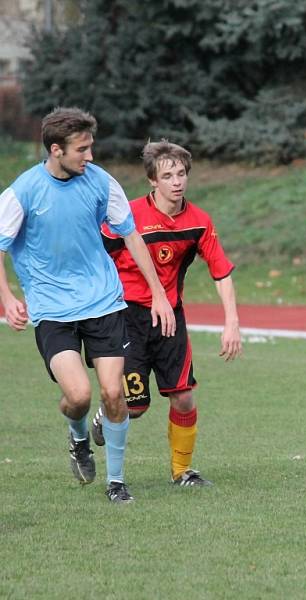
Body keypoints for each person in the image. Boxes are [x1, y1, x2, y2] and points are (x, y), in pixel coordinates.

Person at [0, 107, 175, 503]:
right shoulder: (23, 191)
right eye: (82, 149)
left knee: (115, 395)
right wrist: (7, 297)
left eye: (91, 147)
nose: (90, 157)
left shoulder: (100, 183)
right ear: (56, 150)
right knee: (78, 396)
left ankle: (116, 481)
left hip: (103, 302)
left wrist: (158, 293)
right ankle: (78, 438)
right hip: (52, 310)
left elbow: (130, 236)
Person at [91, 140, 242, 487]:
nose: (177, 181)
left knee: (184, 396)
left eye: (181, 173)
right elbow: (95, 260)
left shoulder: (199, 221)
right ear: (152, 181)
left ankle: (182, 471)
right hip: (127, 316)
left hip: (170, 317)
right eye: (167, 175)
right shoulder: (126, 217)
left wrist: (231, 322)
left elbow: (221, 271)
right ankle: (106, 412)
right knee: (135, 406)